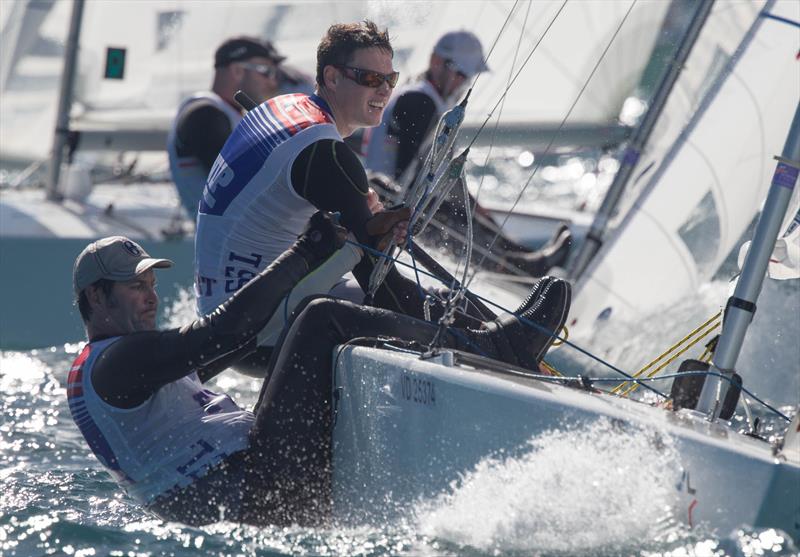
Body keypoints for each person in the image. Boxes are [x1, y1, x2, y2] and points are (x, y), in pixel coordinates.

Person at [66, 215, 570, 526]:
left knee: (305, 334)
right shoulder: (115, 362)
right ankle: (500, 348)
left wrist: (337, 255)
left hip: (258, 488)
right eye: (136, 286)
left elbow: (240, 337)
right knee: (321, 318)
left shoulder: (125, 362)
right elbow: (223, 331)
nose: (151, 294)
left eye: (152, 282)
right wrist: (305, 251)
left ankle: (463, 359)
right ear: (97, 296)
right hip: (257, 493)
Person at [359, 30, 572, 278]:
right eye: (460, 73)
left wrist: (472, 205)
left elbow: (434, 172)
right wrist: (465, 206)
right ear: (437, 62)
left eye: (467, 76)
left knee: (465, 212)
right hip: (389, 204)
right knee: (453, 215)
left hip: (394, 197)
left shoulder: (421, 96)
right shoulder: (420, 101)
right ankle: (518, 268)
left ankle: (525, 259)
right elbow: (413, 175)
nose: (463, 82)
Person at [167, 36, 285, 218]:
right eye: (266, 71)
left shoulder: (227, 114)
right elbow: (245, 181)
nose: (273, 82)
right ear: (237, 70)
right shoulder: (205, 114)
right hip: (231, 241)